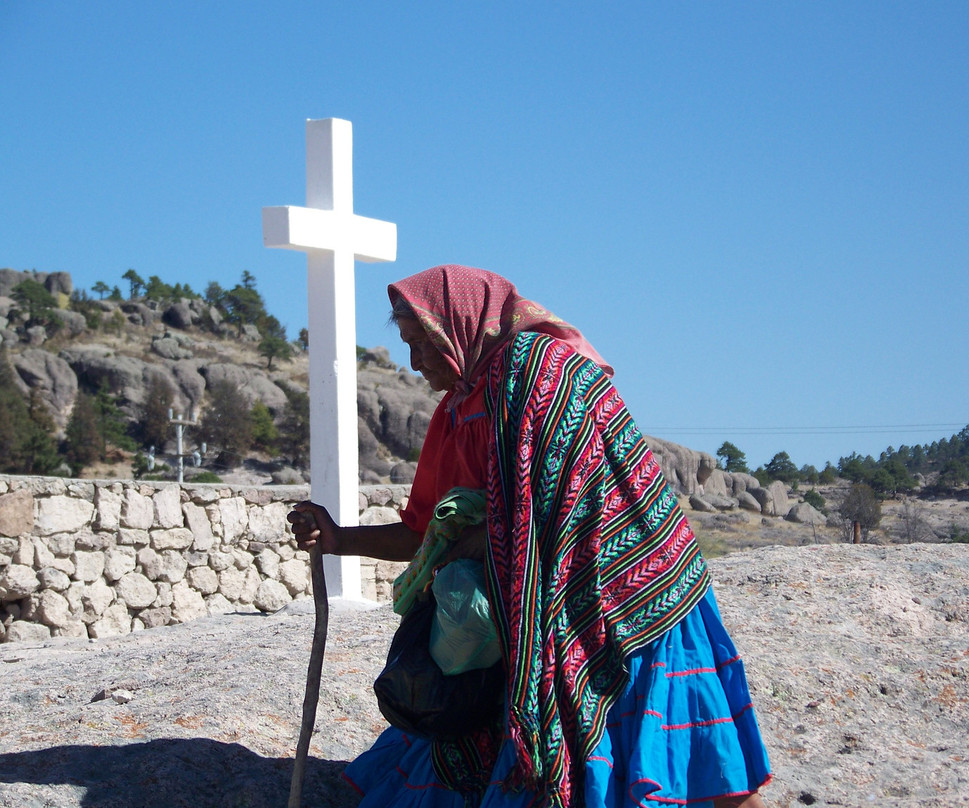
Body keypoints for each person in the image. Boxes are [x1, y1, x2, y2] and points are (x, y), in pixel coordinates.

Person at [289, 265, 771, 808]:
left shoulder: (542, 375)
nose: (414, 360)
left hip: (637, 596)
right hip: (534, 613)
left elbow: (562, 507)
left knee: (705, 770)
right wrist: (337, 539)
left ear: (462, 325)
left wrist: (479, 541)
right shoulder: (457, 412)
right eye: (408, 344)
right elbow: (422, 532)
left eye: (423, 342)